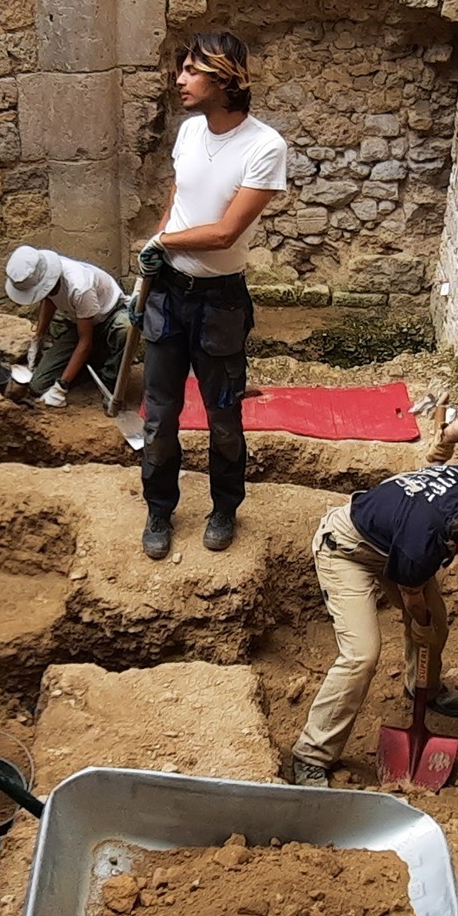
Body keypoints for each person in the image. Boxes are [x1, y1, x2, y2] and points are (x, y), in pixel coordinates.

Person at [289, 416, 458, 787]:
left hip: (393, 538)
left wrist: (444, 442)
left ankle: (423, 688)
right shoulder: (425, 540)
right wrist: (419, 624)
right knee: (362, 653)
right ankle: (311, 754)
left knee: (435, 626)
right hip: (347, 548)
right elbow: (412, 595)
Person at [135, 30, 288, 561]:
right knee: (158, 414)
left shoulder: (265, 147)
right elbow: (178, 199)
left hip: (219, 300)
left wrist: (161, 241)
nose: (179, 79)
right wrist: (152, 267)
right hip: (168, 294)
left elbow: (225, 232)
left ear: (225, 79)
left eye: (192, 70)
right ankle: (159, 509)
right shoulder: (187, 132)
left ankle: (224, 508)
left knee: (223, 416)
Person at [3, 244, 133, 408]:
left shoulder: (79, 287)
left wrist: (61, 387)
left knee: (125, 328)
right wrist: (38, 337)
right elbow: (50, 300)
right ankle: (95, 362)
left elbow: (85, 342)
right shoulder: (48, 279)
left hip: (111, 315)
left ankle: (110, 381)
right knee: (39, 385)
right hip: (81, 323)